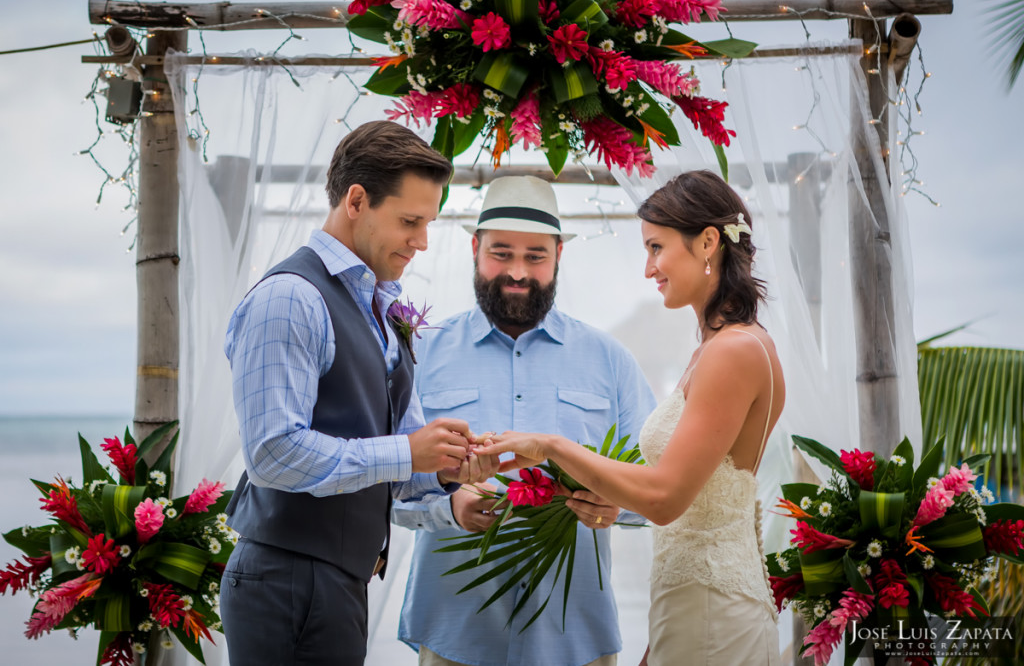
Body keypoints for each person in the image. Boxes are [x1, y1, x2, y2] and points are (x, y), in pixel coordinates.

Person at [478, 170, 785, 665]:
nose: (649, 269)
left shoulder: (734, 352)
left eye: (657, 248)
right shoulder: (719, 347)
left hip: (713, 613)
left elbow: (664, 499)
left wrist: (552, 446)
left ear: (708, 242)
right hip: (693, 603)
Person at [219, 121, 497, 666]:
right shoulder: (291, 298)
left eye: (428, 223)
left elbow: (391, 455)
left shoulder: (382, 306)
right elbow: (273, 453)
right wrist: (408, 451)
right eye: (410, 222)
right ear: (356, 200)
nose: (421, 242)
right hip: (285, 581)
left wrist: (447, 475)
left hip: (337, 583)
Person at [392, 175, 657, 666]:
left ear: (559, 255)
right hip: (454, 630)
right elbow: (383, 484)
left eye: (535, 255)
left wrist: (616, 505)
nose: (517, 271)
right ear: (475, 248)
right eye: (502, 252)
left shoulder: (609, 360)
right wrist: (449, 509)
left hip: (574, 633)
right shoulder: (421, 353)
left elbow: (658, 483)